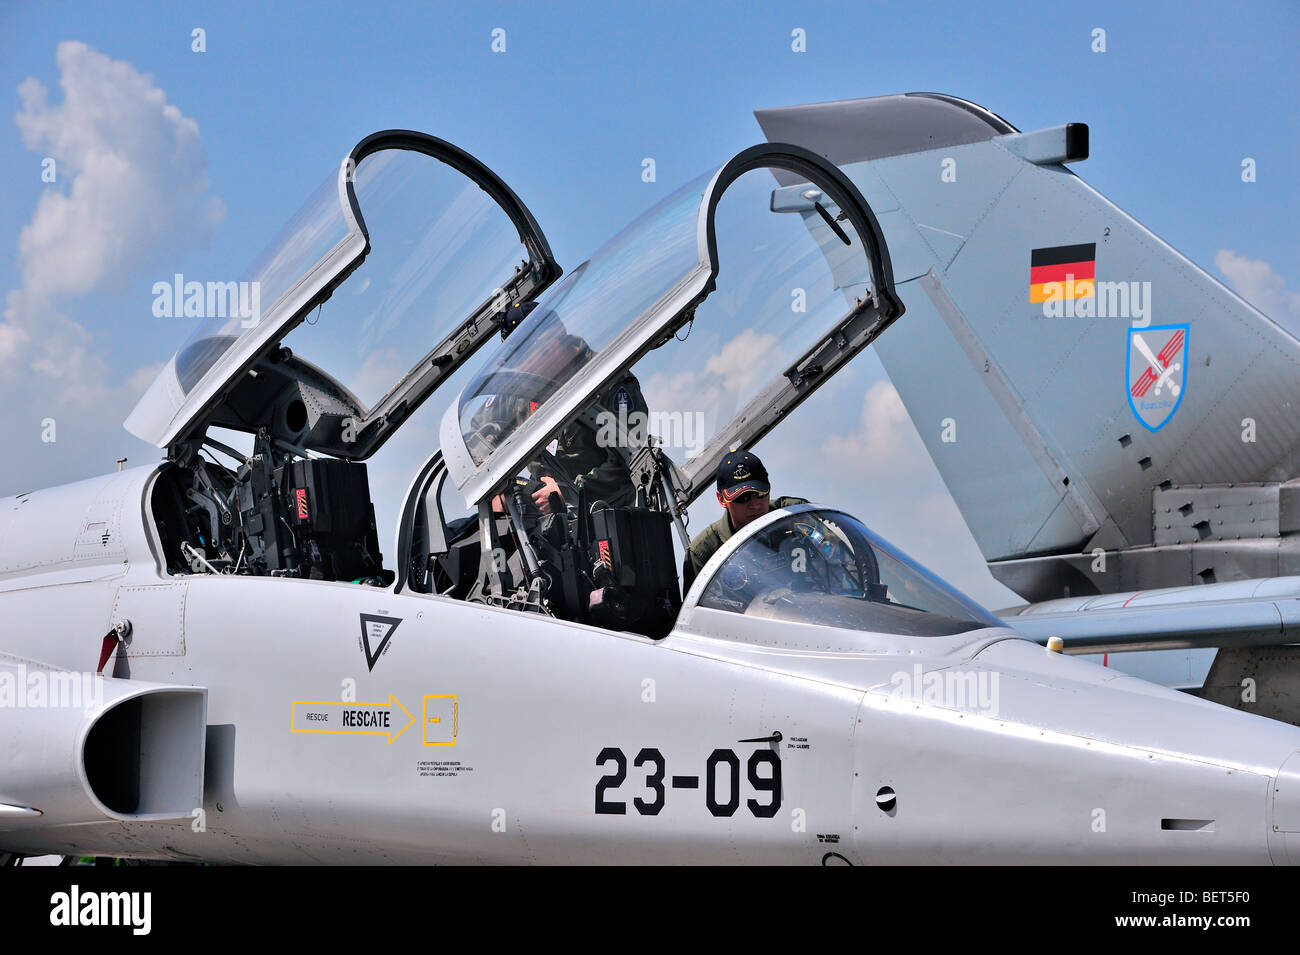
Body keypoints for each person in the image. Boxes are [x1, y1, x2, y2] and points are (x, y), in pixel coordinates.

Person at [491, 301, 648, 513]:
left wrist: (568, 492)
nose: (521, 369)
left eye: (526, 357)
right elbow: (482, 434)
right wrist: (495, 486)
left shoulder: (611, 382)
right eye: (517, 361)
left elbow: (632, 463)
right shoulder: (521, 389)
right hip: (544, 525)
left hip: (605, 517)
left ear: (553, 344)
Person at [681, 449, 806, 592]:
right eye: (742, 498)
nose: (754, 505)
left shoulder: (798, 516)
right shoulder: (704, 552)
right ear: (722, 499)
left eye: (759, 493)